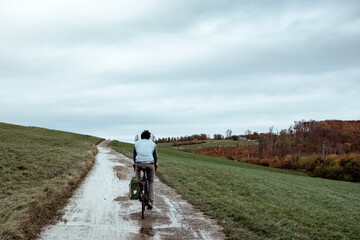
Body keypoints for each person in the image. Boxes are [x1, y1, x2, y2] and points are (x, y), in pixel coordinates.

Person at [133, 130, 158, 210]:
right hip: (149, 163)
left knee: (137, 178)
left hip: (138, 163)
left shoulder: (136, 144)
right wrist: (156, 163)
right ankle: (150, 201)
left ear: (141, 137)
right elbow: (155, 156)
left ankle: (139, 192)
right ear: (149, 137)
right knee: (150, 181)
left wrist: (134, 162)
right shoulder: (153, 144)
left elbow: (134, 155)